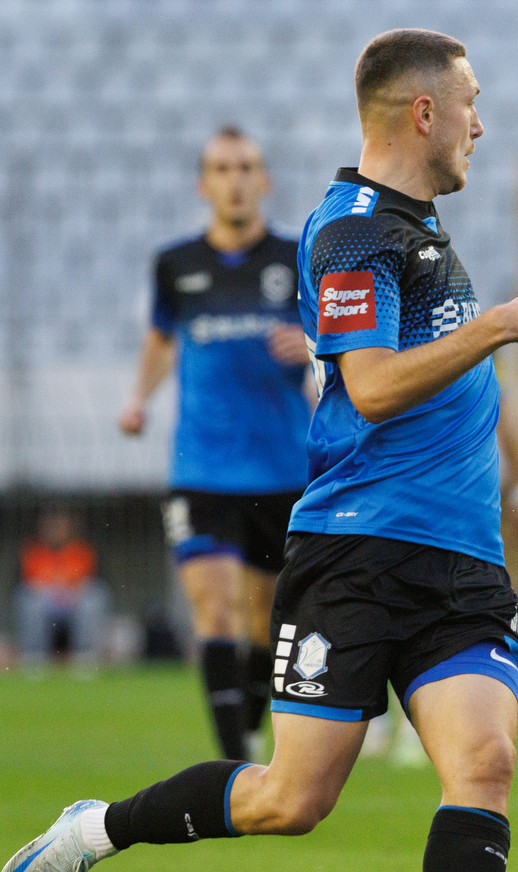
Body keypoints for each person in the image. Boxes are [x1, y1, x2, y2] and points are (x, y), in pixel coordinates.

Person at [3, 29, 518, 872]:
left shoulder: (417, 227)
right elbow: (370, 386)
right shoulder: (353, 232)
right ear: (423, 112)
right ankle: (93, 829)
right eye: (470, 102)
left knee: (486, 759)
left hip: (461, 561)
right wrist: (499, 323)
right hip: (357, 555)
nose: (481, 123)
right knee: (291, 798)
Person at [119, 126, 308, 761]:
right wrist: (138, 398)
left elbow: (339, 340)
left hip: (283, 469)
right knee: (216, 609)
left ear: (265, 181)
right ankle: (234, 766)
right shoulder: (176, 264)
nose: (235, 180)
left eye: (246, 167)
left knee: (266, 625)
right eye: (222, 169)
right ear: (204, 185)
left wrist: (310, 346)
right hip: (201, 469)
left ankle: (245, 731)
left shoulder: (296, 258)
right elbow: (160, 339)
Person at [14, 511, 108, 671]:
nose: (55, 531)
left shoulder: (81, 549)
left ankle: (85, 655)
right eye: (51, 527)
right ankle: (34, 656)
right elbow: (22, 582)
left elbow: (95, 580)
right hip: (45, 602)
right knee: (30, 600)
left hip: (74, 601)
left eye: (59, 526)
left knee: (93, 597)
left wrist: (76, 589)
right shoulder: (33, 550)